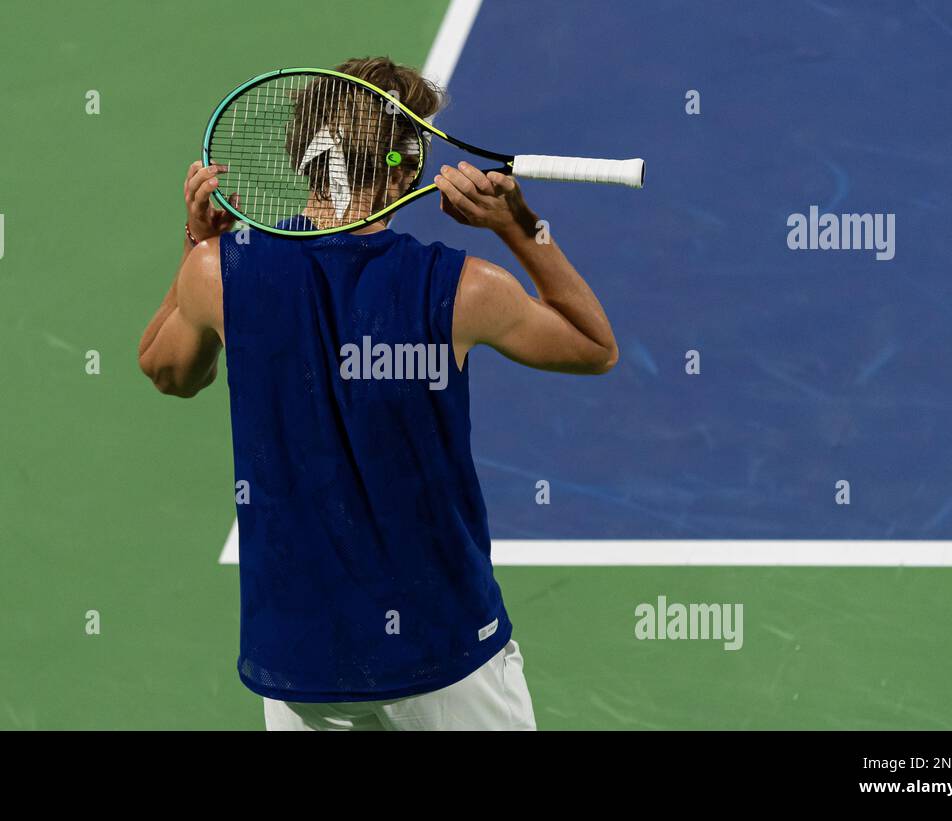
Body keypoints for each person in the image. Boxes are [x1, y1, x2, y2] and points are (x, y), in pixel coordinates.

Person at [138, 57, 618, 730]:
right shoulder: (462, 287)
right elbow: (594, 347)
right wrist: (518, 225)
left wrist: (196, 244)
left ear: (300, 155)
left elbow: (167, 371)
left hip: (301, 658)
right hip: (443, 650)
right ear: (406, 168)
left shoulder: (220, 272)